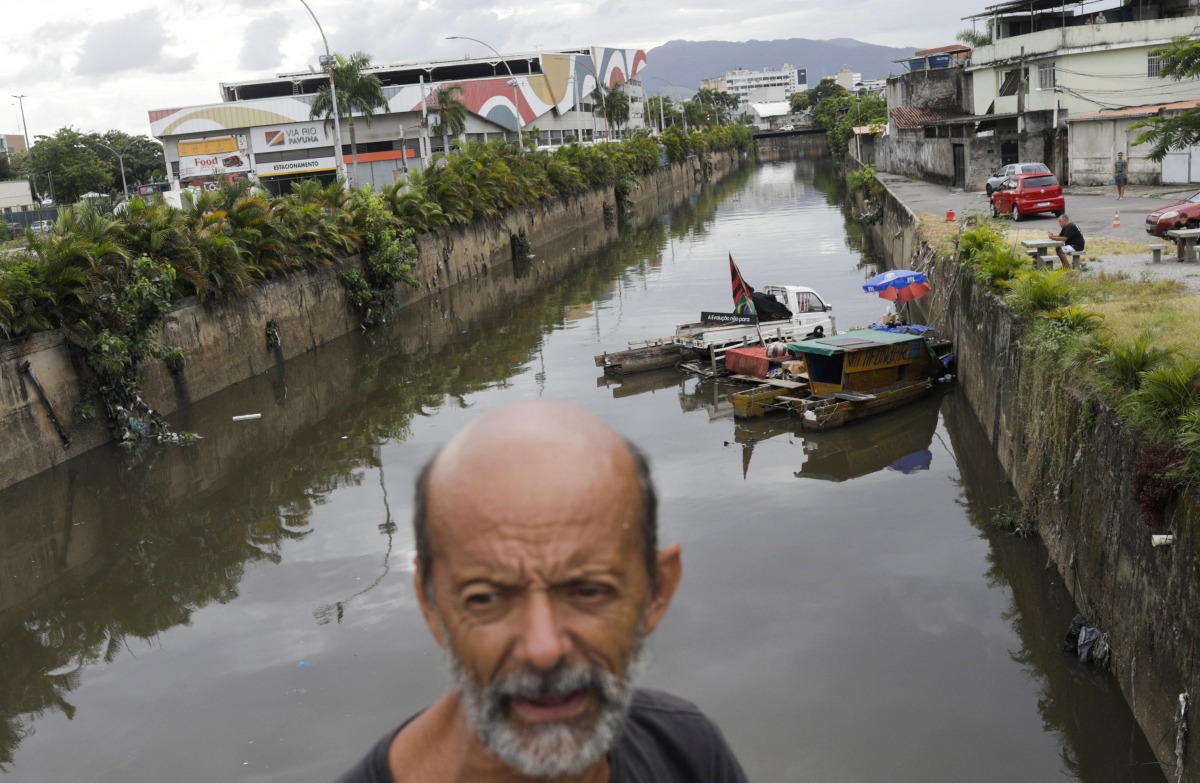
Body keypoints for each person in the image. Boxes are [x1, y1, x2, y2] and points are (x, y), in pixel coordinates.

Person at [331, 400, 748, 783]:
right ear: (430, 603)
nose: (543, 649)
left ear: (657, 592)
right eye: (486, 598)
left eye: (587, 590)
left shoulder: (689, 753)